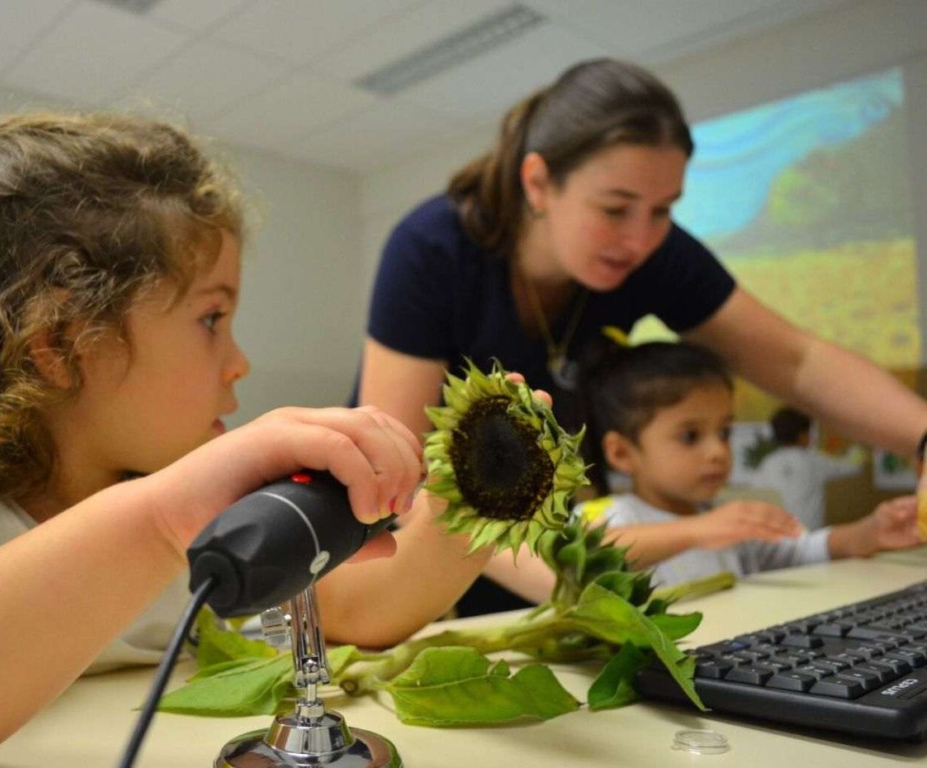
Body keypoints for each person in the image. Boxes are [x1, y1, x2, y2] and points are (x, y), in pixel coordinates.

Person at [0, 113, 489, 768]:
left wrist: (479, 503)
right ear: (62, 345)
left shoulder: (200, 511)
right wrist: (161, 519)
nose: (239, 362)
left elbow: (359, 606)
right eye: (212, 319)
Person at [351, 57, 927, 615]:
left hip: (535, 541)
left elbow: (797, 363)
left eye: (663, 210)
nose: (640, 239)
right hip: (413, 539)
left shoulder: (653, 253)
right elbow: (401, 479)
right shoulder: (432, 250)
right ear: (538, 182)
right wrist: (570, 581)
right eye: (615, 208)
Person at [571, 341, 920, 588]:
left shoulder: (721, 519)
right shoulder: (613, 514)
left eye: (724, 432)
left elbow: (798, 551)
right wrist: (700, 530)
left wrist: (868, 533)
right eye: (690, 436)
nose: (718, 452)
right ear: (621, 453)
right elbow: (580, 556)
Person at [751, 406, 866, 529]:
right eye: (809, 432)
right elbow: (854, 466)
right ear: (802, 436)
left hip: (777, 536)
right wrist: (859, 439)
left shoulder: (767, 464)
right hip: (810, 538)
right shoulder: (814, 460)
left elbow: (756, 494)